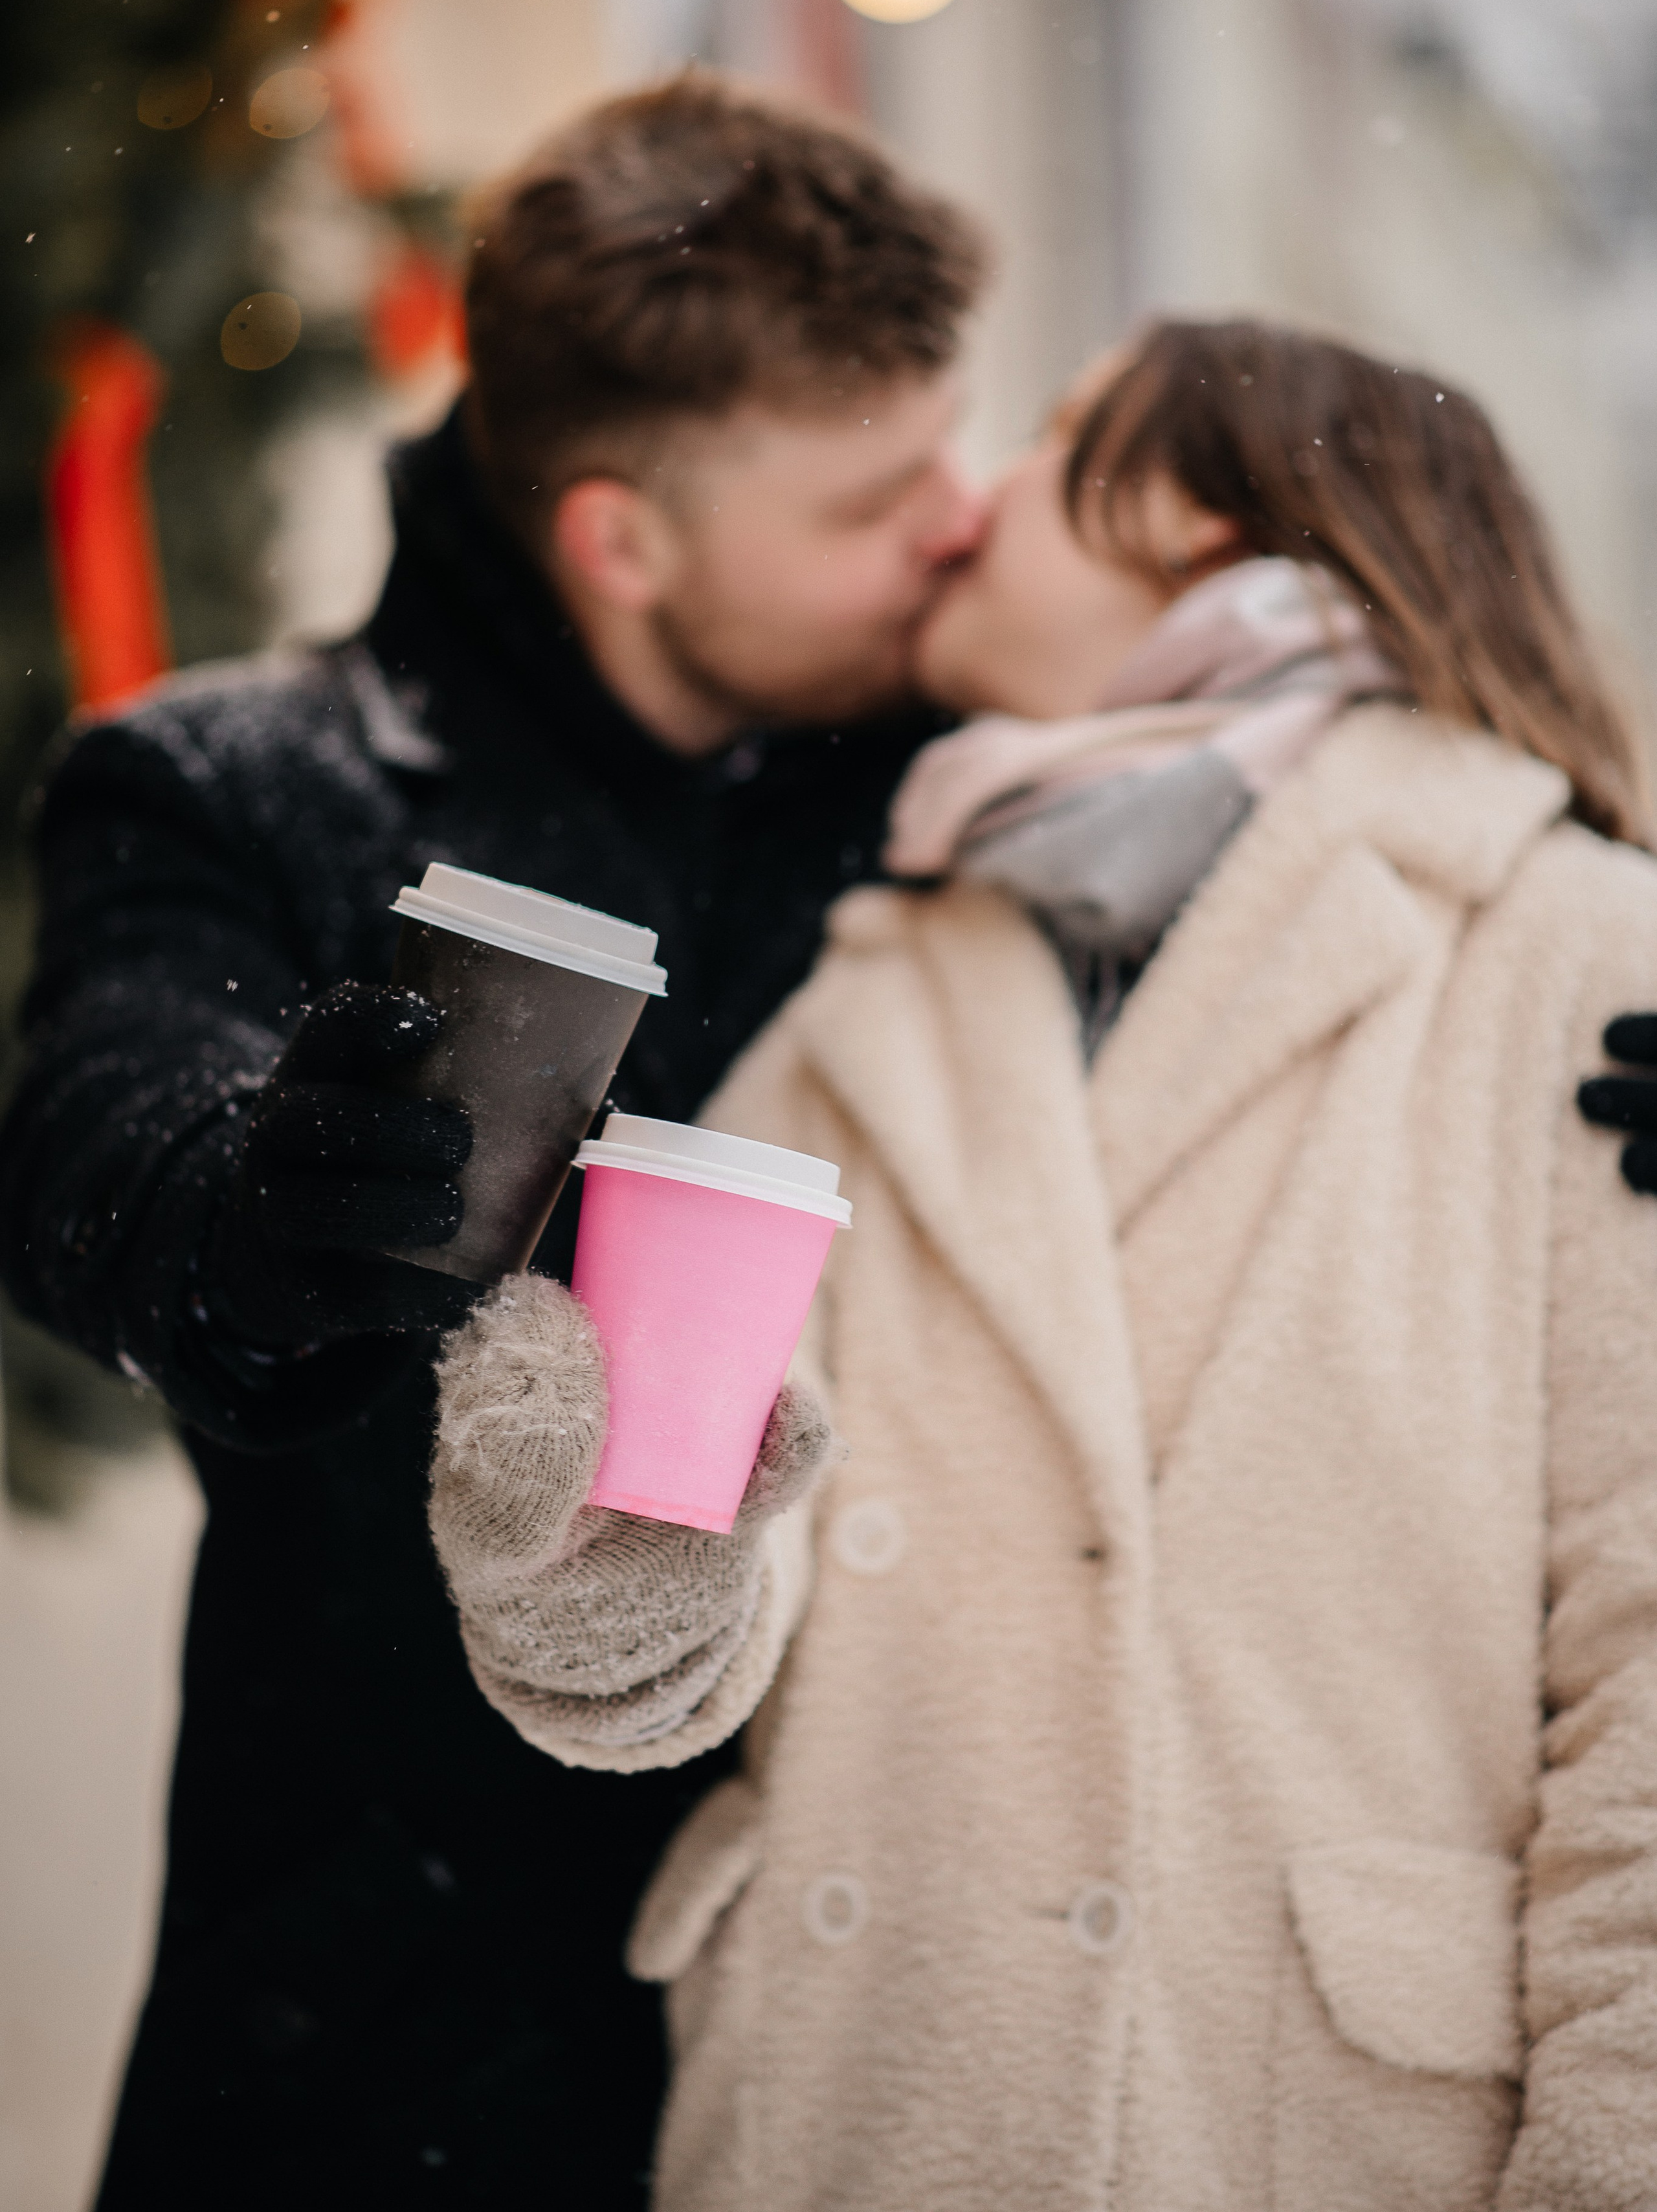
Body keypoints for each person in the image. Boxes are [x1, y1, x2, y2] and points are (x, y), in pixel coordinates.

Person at [430, 319, 1657, 2211]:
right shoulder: (869, 995)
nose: (967, 507)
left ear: (1193, 517)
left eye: (1051, 436)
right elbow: (686, 1636)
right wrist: (592, 1566)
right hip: (849, 2113)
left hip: (1312, 2127)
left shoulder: (1580, 964)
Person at [0, 71, 986, 2208]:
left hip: (910, 2035)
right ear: (622, 538)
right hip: (401, 2024)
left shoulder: (980, 782)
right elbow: (98, 1137)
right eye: (875, 496)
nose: (958, 522)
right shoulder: (233, 787)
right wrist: (257, 1212)